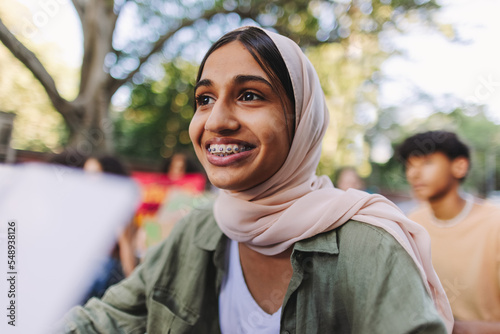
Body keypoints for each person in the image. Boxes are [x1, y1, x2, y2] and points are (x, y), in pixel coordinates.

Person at [58, 26, 453, 333]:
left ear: (302, 119)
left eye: (249, 95)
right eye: (204, 99)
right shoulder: (194, 230)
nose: (217, 121)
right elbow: (106, 319)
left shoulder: (370, 249)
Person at [397, 131, 500, 333]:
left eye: (426, 162)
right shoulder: (412, 223)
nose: (413, 174)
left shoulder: (494, 223)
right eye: (409, 165)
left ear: (459, 166)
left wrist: (459, 329)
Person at [81, 155, 139, 302]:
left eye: (94, 173)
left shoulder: (119, 209)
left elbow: (126, 247)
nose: (88, 178)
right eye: (86, 173)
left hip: (105, 276)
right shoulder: (85, 204)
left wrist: (133, 288)